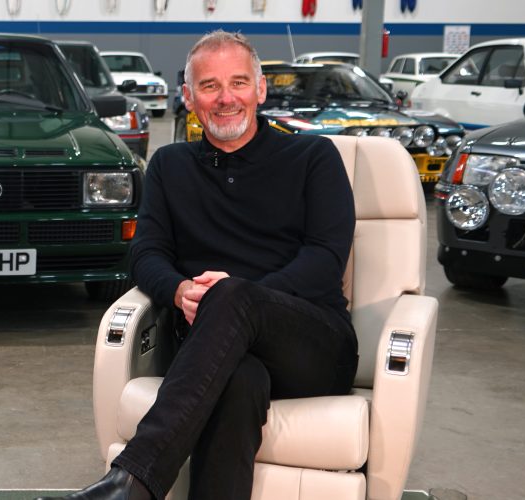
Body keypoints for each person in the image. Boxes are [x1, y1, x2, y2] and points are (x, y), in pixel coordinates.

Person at [47, 31, 357, 500]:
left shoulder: (313, 157)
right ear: (189, 98)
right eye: (210, 86)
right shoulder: (170, 166)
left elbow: (326, 259)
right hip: (209, 351)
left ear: (260, 89)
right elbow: (145, 254)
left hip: (312, 345)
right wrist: (178, 291)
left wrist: (240, 296)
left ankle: (132, 481)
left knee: (232, 296)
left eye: (238, 82)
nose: (226, 98)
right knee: (238, 380)